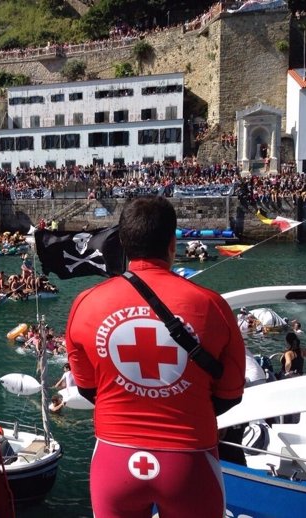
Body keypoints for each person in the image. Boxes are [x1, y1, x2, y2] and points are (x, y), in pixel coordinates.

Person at [65, 196, 246, 518]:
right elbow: (230, 394)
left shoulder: (86, 304)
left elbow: (87, 389)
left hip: (114, 460)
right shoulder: (213, 306)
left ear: (122, 244)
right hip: (189, 460)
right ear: (173, 243)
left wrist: (133, 397)